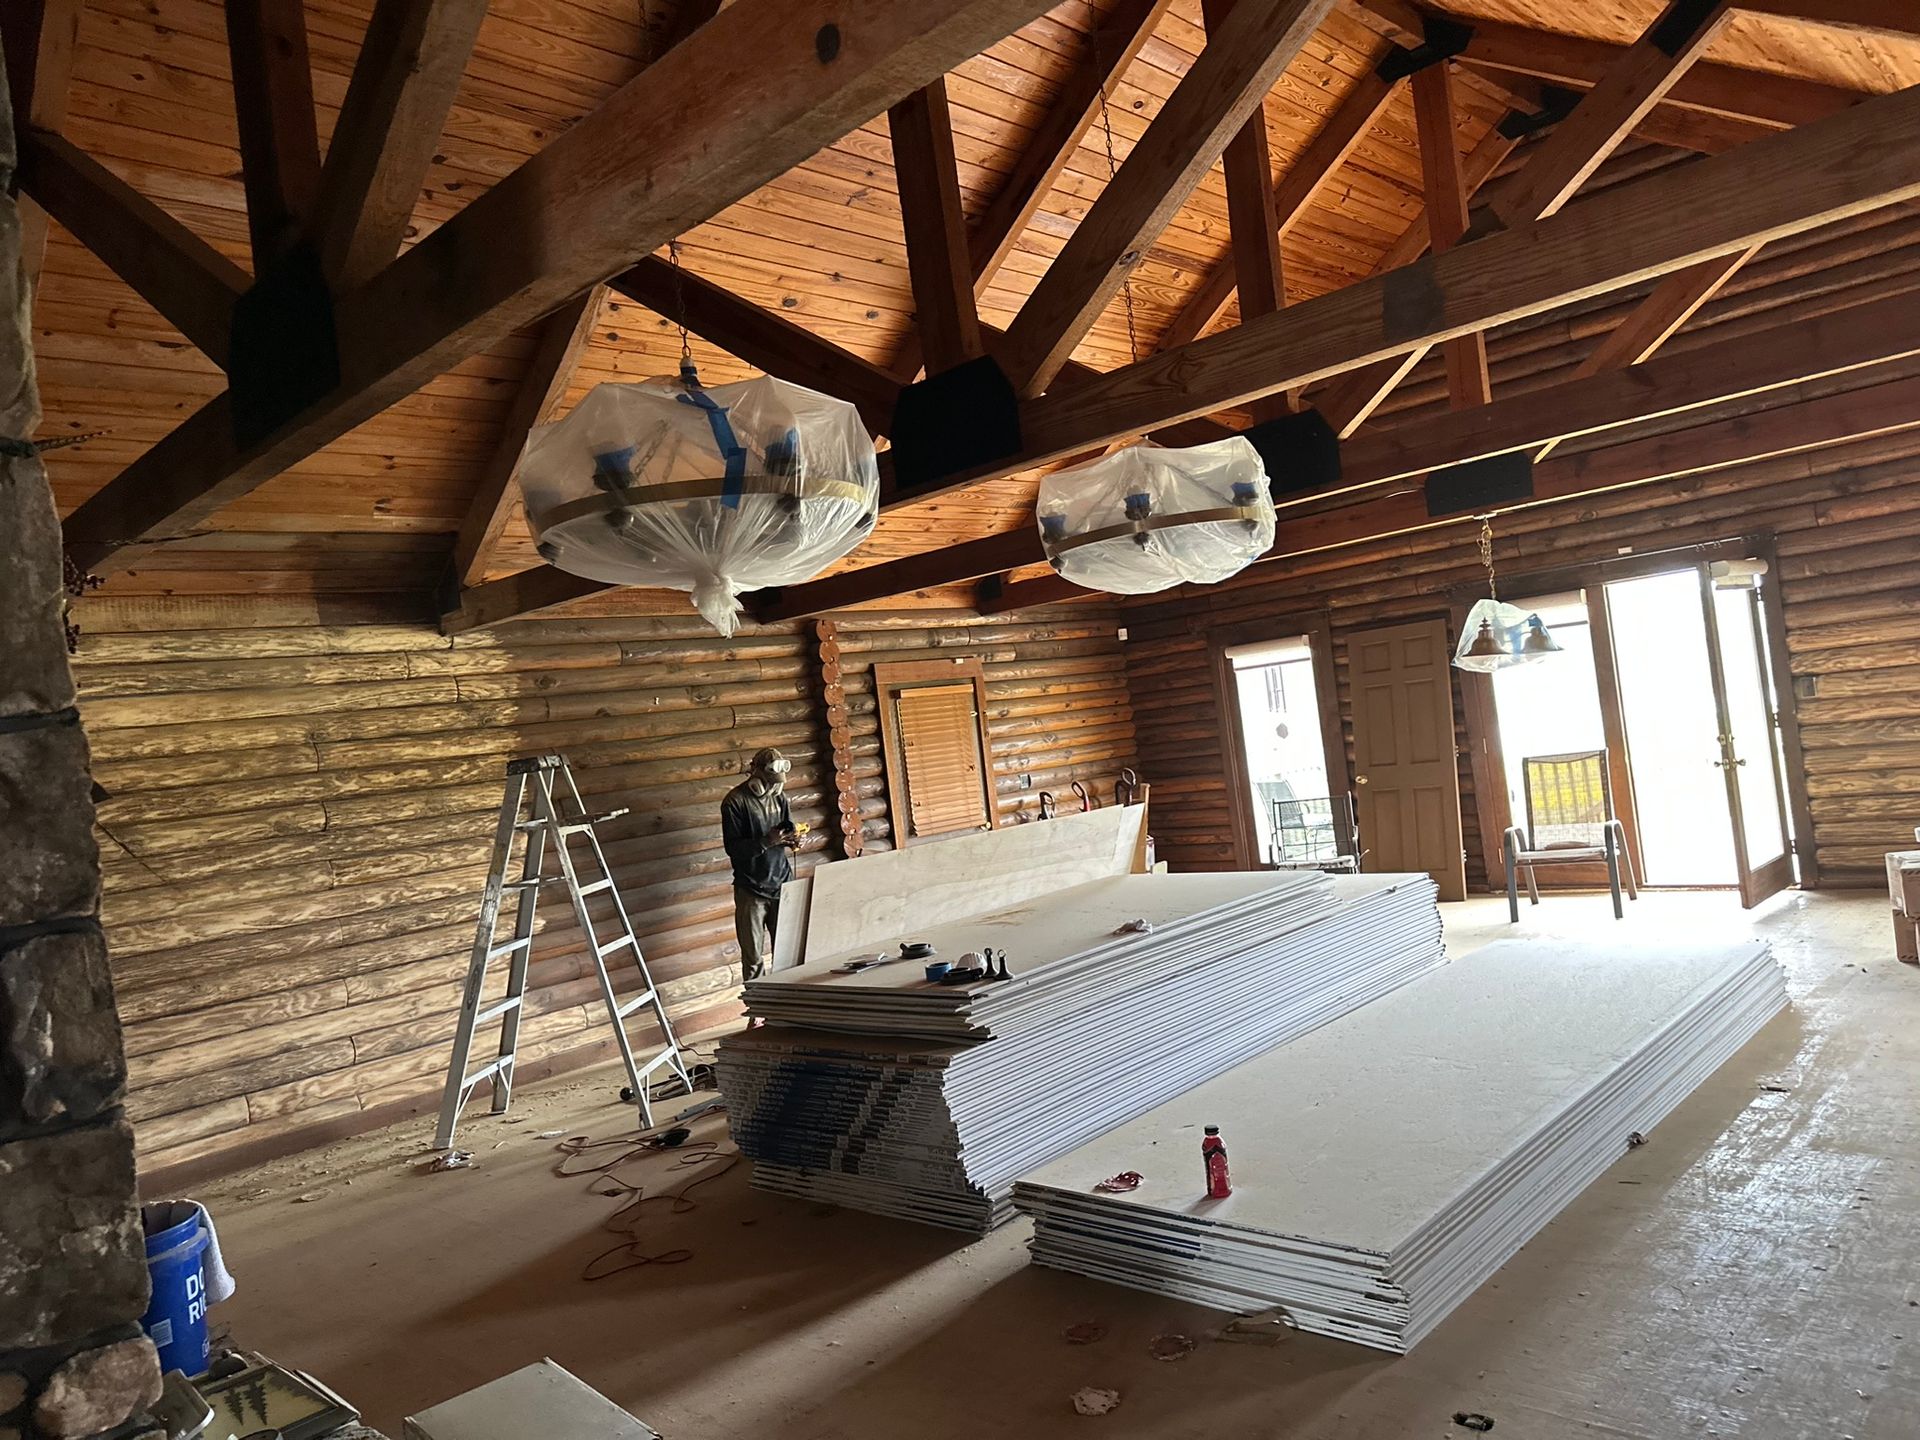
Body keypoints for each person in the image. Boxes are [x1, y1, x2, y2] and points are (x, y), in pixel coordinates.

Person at [721, 747, 800, 984]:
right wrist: (767, 842)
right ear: (755, 775)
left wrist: (793, 839)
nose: (774, 787)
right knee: (753, 957)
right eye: (770, 781)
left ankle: (789, 1010)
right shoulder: (734, 802)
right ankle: (756, 1014)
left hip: (783, 886)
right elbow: (733, 849)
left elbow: (787, 829)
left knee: (787, 955)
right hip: (751, 890)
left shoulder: (779, 797)